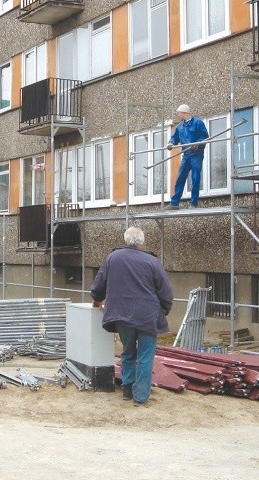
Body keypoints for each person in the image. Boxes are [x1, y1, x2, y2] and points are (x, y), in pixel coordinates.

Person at [91, 227, 173, 406]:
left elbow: (100, 283)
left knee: (128, 352)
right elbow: (165, 290)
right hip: (147, 316)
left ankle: (127, 389)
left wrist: (97, 300)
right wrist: (164, 309)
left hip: (122, 315)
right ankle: (141, 397)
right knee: (145, 356)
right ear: (141, 242)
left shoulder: (113, 258)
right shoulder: (152, 261)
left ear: (125, 239)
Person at [167, 104, 209, 209]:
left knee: (195, 178)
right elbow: (174, 138)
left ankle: (193, 203)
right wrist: (170, 143)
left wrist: (198, 143)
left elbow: (205, 137)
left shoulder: (198, 123)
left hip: (197, 155)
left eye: (179, 113)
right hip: (186, 155)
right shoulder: (180, 127)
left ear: (185, 113)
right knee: (180, 177)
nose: (177, 115)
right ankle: (174, 202)